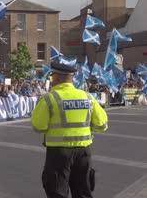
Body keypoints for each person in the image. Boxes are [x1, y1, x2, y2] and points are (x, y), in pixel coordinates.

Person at [31, 62, 108, 198]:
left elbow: (38, 126)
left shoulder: (50, 98)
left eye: (52, 76)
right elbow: (102, 125)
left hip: (59, 153)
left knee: (57, 191)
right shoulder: (88, 97)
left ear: (57, 78)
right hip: (84, 151)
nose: (51, 79)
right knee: (83, 192)